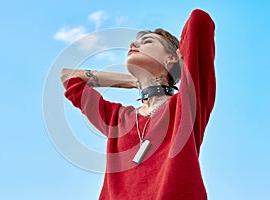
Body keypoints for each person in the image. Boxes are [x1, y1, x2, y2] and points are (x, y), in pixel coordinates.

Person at [60, 9, 216, 200]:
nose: (133, 44)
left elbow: (199, 21)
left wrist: (180, 62)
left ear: (173, 57)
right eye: (136, 42)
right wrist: (134, 81)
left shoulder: (187, 104)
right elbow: (69, 77)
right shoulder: (118, 118)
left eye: (148, 42)